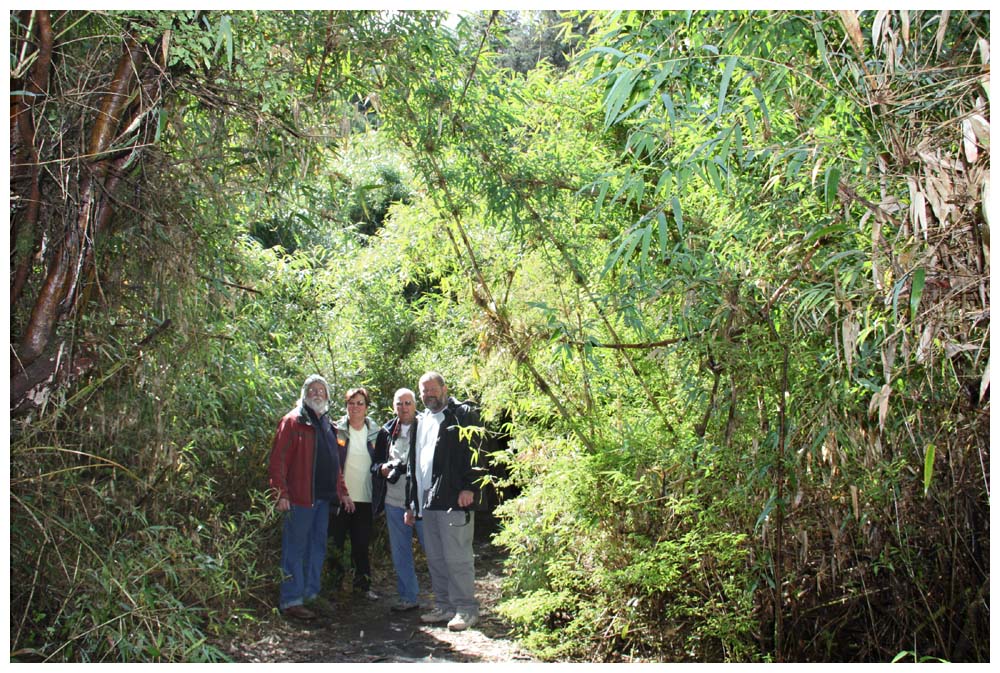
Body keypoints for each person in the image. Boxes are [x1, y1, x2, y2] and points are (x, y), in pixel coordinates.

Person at [405, 371, 483, 631]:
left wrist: (469, 486)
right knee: (436, 557)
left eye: (432, 389)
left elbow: (476, 452)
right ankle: (444, 606)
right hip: (427, 500)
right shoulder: (421, 420)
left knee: (457, 556)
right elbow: (413, 464)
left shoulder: (461, 414)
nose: (428, 394)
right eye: (424, 391)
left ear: (444, 388)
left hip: (454, 498)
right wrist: (411, 502)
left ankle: (466, 608)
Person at [268, 374, 350, 620]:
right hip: (300, 499)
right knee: (295, 549)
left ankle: (311, 595)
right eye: (312, 389)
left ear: (327, 396)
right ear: (304, 394)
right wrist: (280, 492)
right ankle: (291, 600)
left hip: (323, 500)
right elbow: (278, 460)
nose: (317, 393)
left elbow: (334, 463)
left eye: (321, 390)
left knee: (317, 548)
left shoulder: (327, 424)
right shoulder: (293, 421)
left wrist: (343, 492)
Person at [373, 388, 425, 612]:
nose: (403, 408)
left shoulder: (426, 426)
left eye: (408, 403)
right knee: (400, 551)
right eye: (399, 404)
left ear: (415, 404)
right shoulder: (386, 431)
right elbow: (374, 465)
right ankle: (408, 597)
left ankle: (447, 599)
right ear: (393, 406)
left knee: (432, 549)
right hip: (394, 500)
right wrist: (383, 469)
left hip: (422, 501)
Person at [329, 387, 382, 600]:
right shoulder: (337, 431)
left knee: (361, 545)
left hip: (365, 499)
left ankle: (363, 587)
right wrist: (340, 493)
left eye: (360, 403)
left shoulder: (377, 434)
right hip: (341, 498)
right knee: (336, 543)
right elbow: (332, 464)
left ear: (367, 407)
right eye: (351, 403)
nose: (355, 407)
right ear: (346, 406)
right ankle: (333, 587)